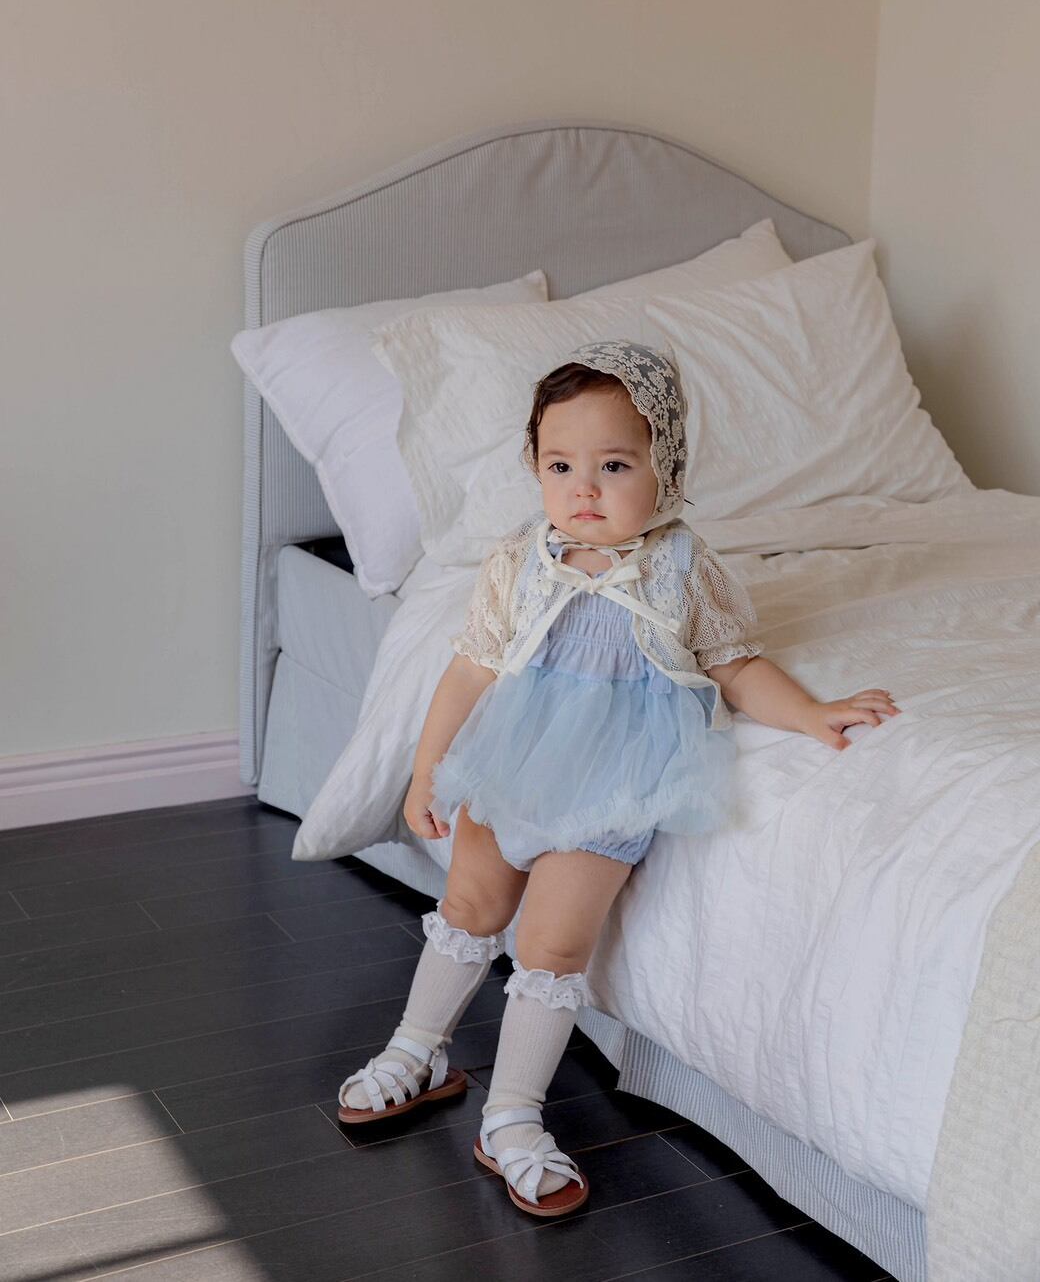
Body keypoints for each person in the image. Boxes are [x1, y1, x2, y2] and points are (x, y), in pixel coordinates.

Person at [337, 340, 901, 1217]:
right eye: (560, 465)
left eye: (614, 465)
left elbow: (735, 664)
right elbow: (471, 668)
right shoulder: (520, 559)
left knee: (554, 944)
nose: (585, 489)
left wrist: (810, 713)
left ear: (663, 468)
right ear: (534, 466)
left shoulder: (683, 565)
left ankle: (512, 1115)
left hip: (618, 777)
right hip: (516, 757)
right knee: (471, 905)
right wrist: (426, 770)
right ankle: (419, 1049)